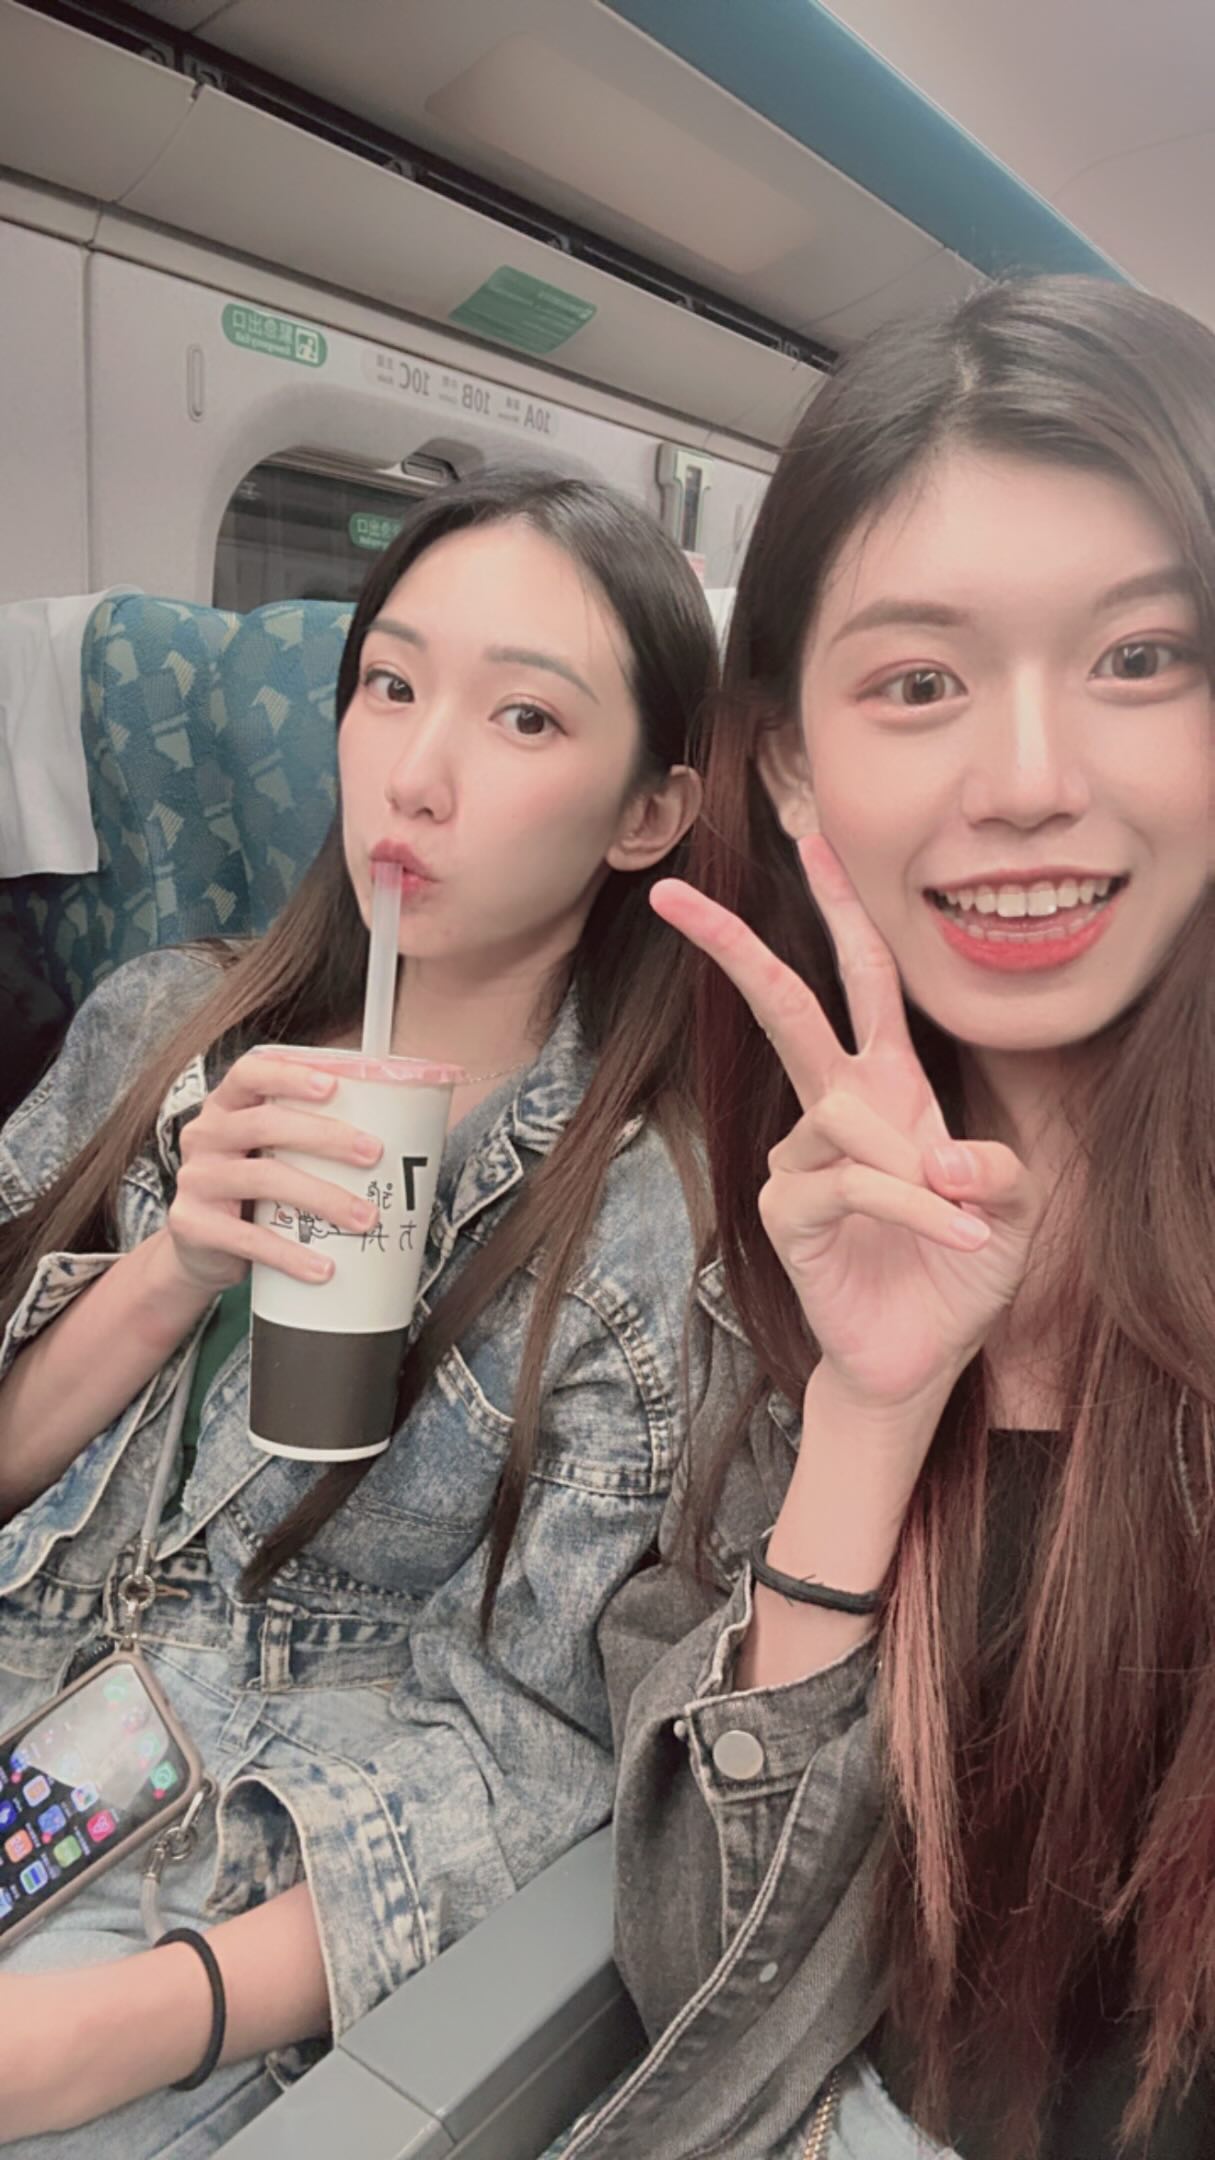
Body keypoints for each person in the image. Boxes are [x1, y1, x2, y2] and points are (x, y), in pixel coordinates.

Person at [554, 279, 1215, 2160]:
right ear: (787, 763)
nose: (1030, 785)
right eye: (921, 683)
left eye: (1143, 658)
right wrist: (868, 1409)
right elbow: (710, 1992)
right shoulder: (760, 1253)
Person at [0, 468, 716, 2153]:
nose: (418, 772)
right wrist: (172, 1266)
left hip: (235, 1870)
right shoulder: (159, 1024)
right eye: (390, 686)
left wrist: (112, 2029)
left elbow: (540, 1753)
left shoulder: (639, 1225)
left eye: (526, 717)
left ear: (647, 814)